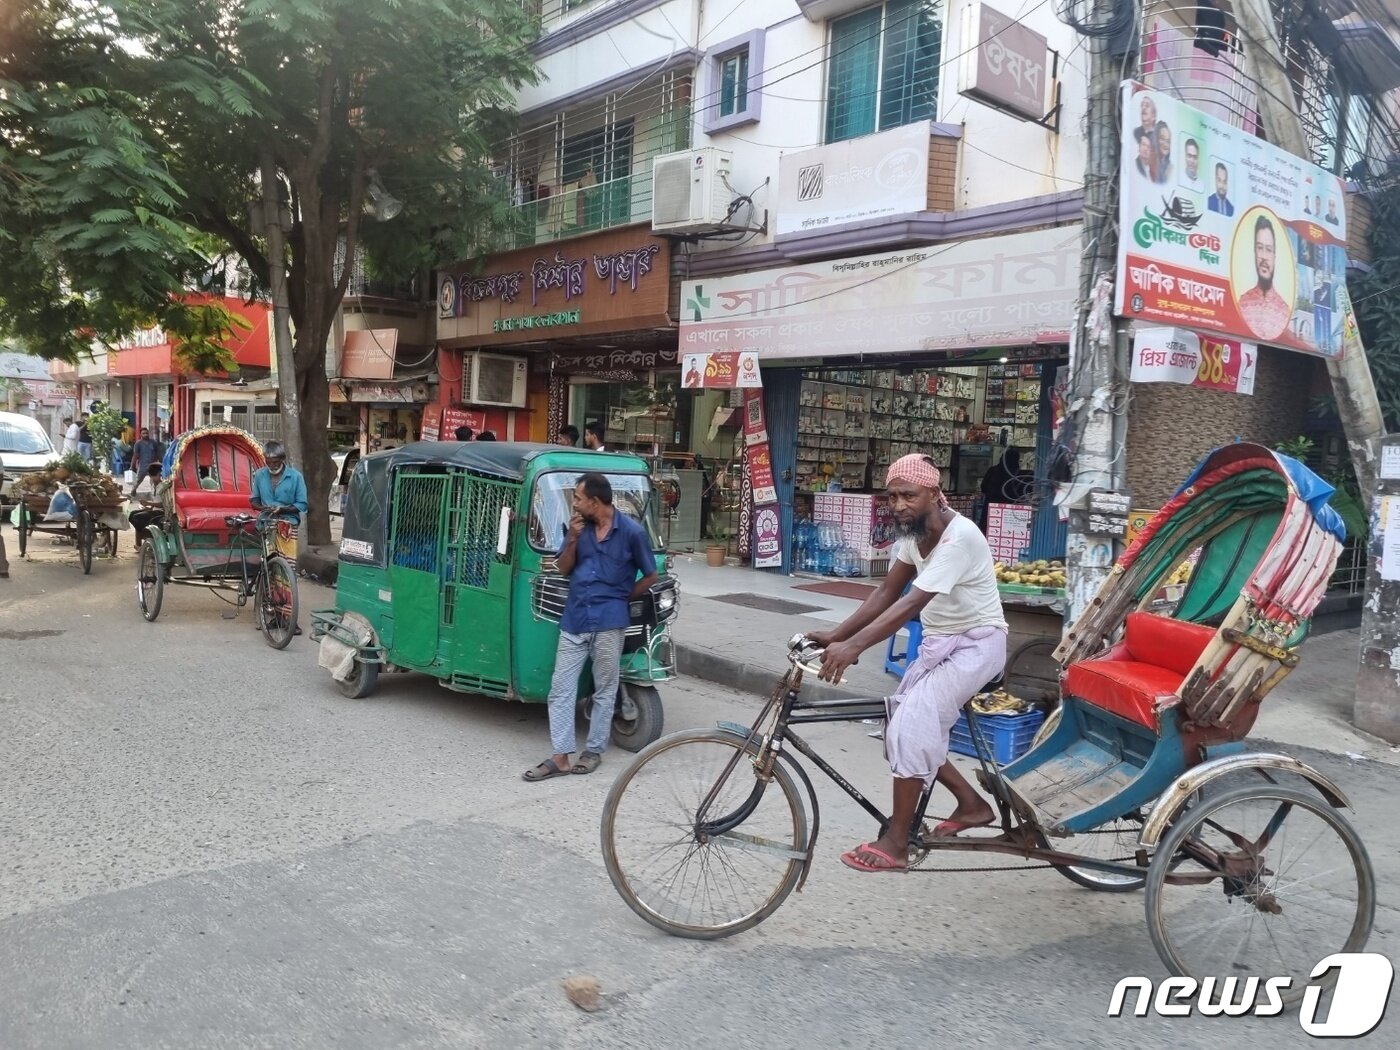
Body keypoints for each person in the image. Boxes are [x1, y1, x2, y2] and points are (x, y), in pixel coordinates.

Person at [806, 453, 1008, 872]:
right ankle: (971, 805)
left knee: (913, 723)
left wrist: (854, 648)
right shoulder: (913, 537)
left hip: (977, 647)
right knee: (900, 722)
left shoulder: (960, 537)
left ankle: (897, 843)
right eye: (893, 496)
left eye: (908, 496)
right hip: (941, 645)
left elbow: (914, 600)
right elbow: (886, 593)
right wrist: (837, 635)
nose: (898, 505)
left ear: (935, 493)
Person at [523, 472, 658, 782]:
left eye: (579, 499)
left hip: (610, 622)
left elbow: (650, 576)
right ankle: (560, 756)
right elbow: (563, 568)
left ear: (595, 502)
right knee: (561, 689)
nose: (575, 504)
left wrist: (622, 598)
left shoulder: (632, 533)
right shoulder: (578, 530)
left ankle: (593, 750)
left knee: (604, 689)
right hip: (575, 618)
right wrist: (570, 538)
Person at [250, 440, 308, 634]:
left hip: (287, 525)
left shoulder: (296, 477)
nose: (272, 465)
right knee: (271, 573)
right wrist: (266, 508)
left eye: (275, 461)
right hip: (266, 524)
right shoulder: (259, 475)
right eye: (268, 461)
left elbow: (302, 504)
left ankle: (290, 618)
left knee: (287, 572)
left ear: (282, 459)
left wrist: (282, 508)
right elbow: (254, 501)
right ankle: (273, 614)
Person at [1238, 215, 1291, 340]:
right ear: (1254, 252)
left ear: (1275, 256)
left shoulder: (1284, 311)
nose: (1264, 257)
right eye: (1260, 248)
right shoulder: (1242, 304)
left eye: (1269, 249)